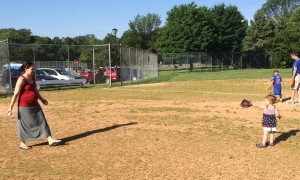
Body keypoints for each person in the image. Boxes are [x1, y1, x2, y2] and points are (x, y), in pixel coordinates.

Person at [7, 61, 61, 150]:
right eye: (32, 69)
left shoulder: (32, 77)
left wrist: (42, 100)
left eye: (34, 68)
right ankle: (22, 143)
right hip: (24, 106)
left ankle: (50, 139)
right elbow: (16, 94)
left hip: (35, 104)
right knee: (24, 124)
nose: (34, 70)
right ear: (26, 69)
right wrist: (10, 108)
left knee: (42, 120)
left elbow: (35, 90)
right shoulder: (21, 79)